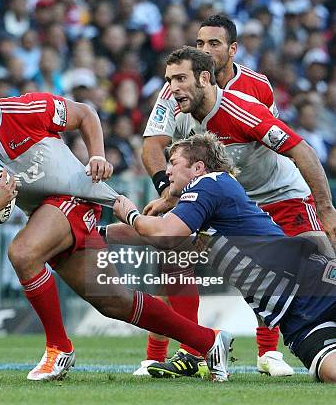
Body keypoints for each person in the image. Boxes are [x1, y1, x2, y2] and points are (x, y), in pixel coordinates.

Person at [0, 68, 233, 382]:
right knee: (115, 302)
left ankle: (58, 349)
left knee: (23, 253)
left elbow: (86, 115)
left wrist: (97, 156)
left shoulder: (27, 109)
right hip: (45, 216)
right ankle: (208, 341)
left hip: (76, 196)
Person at [140, 41, 335, 378]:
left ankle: (269, 352)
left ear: (205, 77)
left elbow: (301, 150)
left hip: (280, 194)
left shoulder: (245, 105)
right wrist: (169, 194)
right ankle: (184, 351)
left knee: (321, 266)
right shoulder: (171, 99)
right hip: (228, 200)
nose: (172, 87)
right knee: (171, 250)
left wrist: (326, 208)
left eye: (180, 79)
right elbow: (151, 147)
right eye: (169, 80)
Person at [107, 132, 336, 383]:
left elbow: (165, 233)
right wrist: (96, 233)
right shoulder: (204, 200)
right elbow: (153, 233)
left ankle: (260, 353)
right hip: (293, 319)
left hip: (311, 284)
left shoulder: (210, 183)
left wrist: (131, 214)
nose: (167, 171)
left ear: (198, 167)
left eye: (173, 162)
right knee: (331, 374)